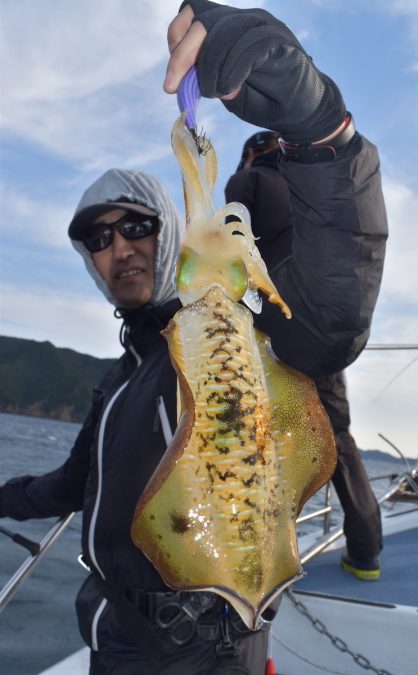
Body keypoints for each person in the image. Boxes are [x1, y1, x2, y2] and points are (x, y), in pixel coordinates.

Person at [0, 1, 388, 673]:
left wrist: (322, 128)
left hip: (204, 648)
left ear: (169, 232)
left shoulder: (237, 331)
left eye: (136, 225)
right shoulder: (123, 377)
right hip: (113, 637)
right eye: (98, 238)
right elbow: (71, 485)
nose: (119, 247)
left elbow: (328, 321)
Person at [225, 133, 383, 580]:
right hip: (317, 330)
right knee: (339, 439)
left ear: (253, 153)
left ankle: (266, 564)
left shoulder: (248, 181)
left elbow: (232, 253)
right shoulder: (303, 188)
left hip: (274, 332)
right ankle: (366, 553)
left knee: (267, 443)